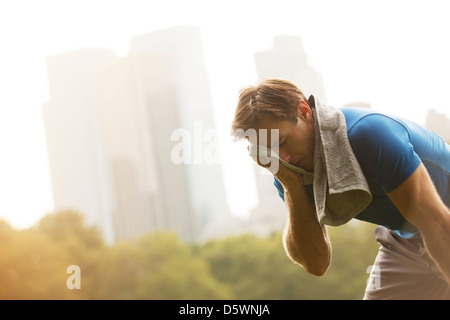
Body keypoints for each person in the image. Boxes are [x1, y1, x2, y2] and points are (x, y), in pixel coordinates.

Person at [231, 78, 450, 300]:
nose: (282, 157)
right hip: (408, 237)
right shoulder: (289, 171)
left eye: (283, 141)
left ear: (304, 111)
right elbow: (316, 263)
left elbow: (437, 223)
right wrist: (291, 186)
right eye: (270, 151)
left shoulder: (369, 134)